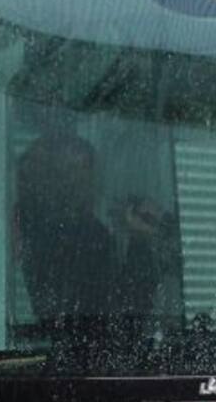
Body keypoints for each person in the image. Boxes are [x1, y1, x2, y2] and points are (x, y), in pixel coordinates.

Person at [13, 131, 168, 328]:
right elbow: (126, 313)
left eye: (90, 173)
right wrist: (140, 241)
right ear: (58, 179)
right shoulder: (76, 235)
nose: (93, 184)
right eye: (81, 173)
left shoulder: (40, 226)